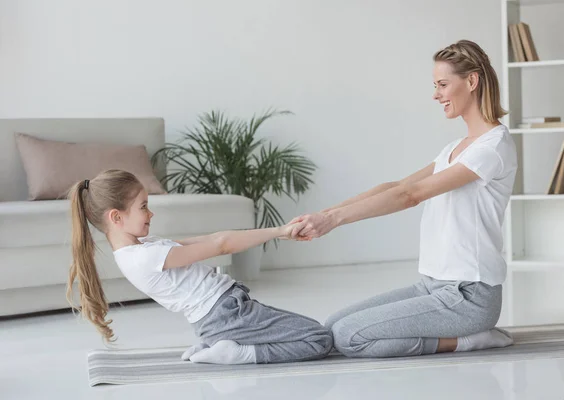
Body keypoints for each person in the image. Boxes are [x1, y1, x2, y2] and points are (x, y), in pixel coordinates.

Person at [290, 40, 517, 358]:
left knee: (348, 337)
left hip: (468, 296)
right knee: (332, 326)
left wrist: (332, 221)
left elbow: (411, 195)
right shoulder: (455, 148)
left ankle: (469, 340)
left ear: (472, 81)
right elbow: (396, 185)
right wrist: (324, 213)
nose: (436, 94)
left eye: (442, 84)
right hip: (433, 286)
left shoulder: (492, 147)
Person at [67, 169, 333, 364]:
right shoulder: (143, 258)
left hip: (223, 313)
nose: (151, 213)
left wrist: (279, 231)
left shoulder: (141, 248)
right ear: (116, 217)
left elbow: (212, 240)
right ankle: (238, 353)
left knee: (308, 329)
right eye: (144, 207)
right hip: (226, 315)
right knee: (319, 339)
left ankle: (216, 344)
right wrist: (279, 231)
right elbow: (221, 245)